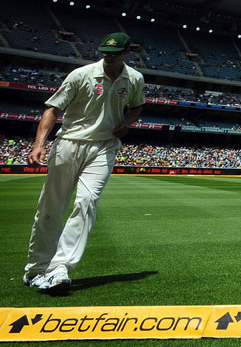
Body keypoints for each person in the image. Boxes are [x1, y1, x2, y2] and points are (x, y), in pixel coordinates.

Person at [23, 32, 145, 292]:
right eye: (105, 54)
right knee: (51, 208)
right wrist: (39, 144)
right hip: (69, 143)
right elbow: (53, 109)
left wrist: (128, 123)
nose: (109, 59)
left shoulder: (134, 79)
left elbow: (136, 106)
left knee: (87, 202)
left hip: (104, 147)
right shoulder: (81, 74)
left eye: (114, 54)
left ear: (126, 53)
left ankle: (60, 269)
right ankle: (36, 268)